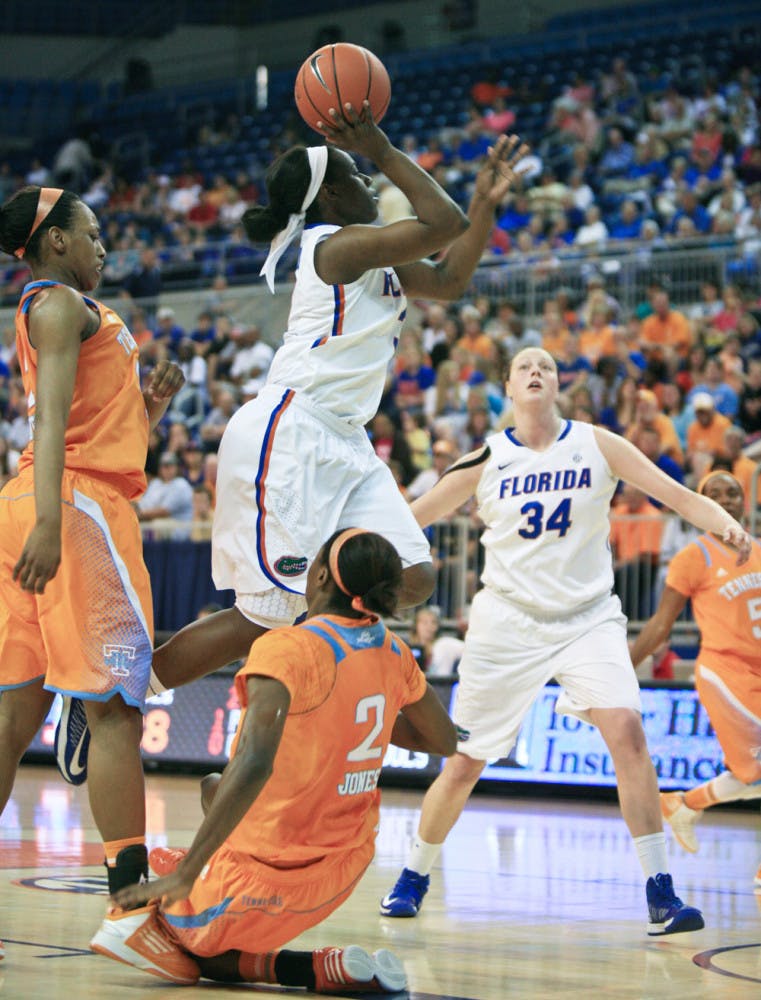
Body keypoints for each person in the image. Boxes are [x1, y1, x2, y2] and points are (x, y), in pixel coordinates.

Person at [54, 111, 529, 784]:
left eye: (364, 167)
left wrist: (482, 206)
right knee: (262, 615)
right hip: (291, 434)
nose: (366, 175)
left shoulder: (376, 260)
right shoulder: (330, 245)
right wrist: (383, 148)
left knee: (414, 579)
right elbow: (438, 224)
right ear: (329, 198)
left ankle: (337, 696)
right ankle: (108, 696)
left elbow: (451, 277)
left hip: (345, 442)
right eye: (355, 172)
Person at [380, 347, 752, 935]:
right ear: (507, 385)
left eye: (547, 366)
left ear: (559, 385)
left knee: (628, 731)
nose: (535, 372)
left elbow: (675, 495)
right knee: (464, 761)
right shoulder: (486, 458)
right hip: (507, 622)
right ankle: (414, 874)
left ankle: (660, 893)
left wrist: (727, 525)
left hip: (587, 618)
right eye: (525, 366)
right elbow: (409, 519)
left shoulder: (598, 443)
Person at [90, 529, 457, 989]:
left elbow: (255, 763)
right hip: (344, 866)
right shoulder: (391, 647)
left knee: (165, 943)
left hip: (274, 876)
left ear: (319, 574)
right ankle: (214, 874)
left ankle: (317, 967)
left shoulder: (288, 647)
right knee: (212, 787)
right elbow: (443, 740)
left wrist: (185, 874)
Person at [0, 187, 184, 943]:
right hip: (70, 511)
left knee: (11, 717)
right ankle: (130, 899)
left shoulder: (60, 309)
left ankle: (74, 703)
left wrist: (149, 410)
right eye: (94, 234)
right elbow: (49, 425)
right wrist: (52, 519)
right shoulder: (58, 306)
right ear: (54, 243)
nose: (104, 246)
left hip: (43, 504)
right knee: (114, 711)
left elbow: (82, 421)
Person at [629, 472, 761, 884]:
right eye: (714, 495)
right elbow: (659, 627)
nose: (726, 500)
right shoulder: (694, 557)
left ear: (744, 500)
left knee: (751, 775)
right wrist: (620, 668)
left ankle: (686, 804)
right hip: (726, 674)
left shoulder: (758, 549)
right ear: (700, 506)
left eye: (732, 493)